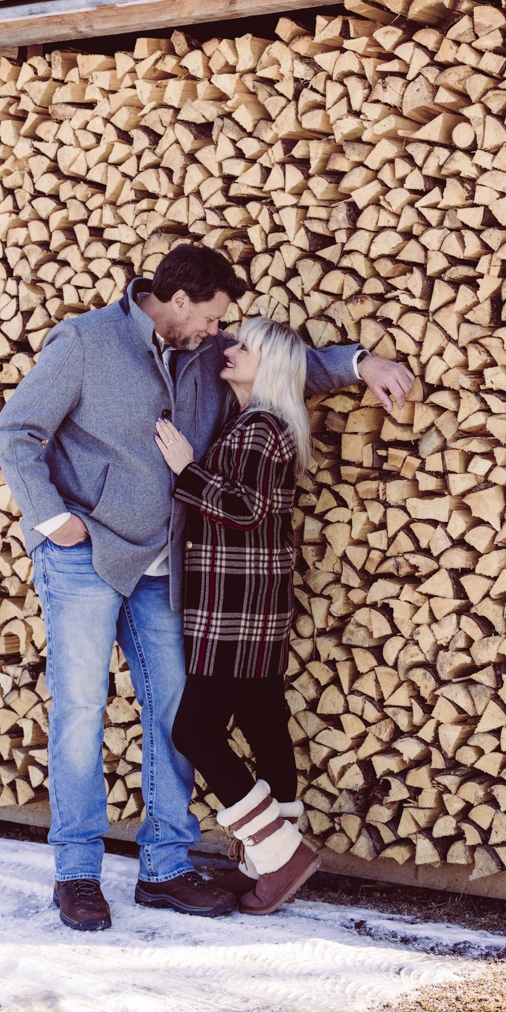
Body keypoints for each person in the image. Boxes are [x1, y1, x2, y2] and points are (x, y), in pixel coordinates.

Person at [0, 242, 414, 932]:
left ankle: (165, 868)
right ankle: (76, 872)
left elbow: (289, 368)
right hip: (85, 558)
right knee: (78, 713)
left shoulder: (201, 356)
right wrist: (50, 517)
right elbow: (17, 431)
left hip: (164, 567)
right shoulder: (85, 342)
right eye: (212, 316)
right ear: (178, 301)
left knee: (174, 716)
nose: (220, 331)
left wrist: (358, 363)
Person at [158, 316, 320, 915]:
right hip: (257, 606)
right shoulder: (264, 425)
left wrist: (186, 470)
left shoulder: (259, 428)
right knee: (264, 721)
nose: (231, 348)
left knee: (192, 731)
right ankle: (267, 864)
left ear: (270, 365)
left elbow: (244, 509)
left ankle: (279, 855)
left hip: (234, 611)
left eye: (244, 346)